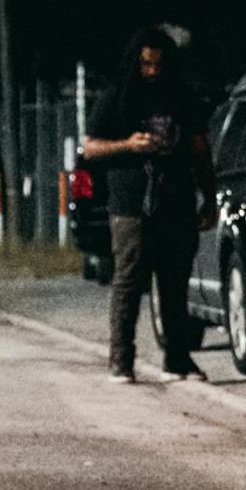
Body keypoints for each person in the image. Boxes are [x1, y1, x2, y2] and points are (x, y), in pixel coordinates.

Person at [80, 26, 215, 382]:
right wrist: (128, 145)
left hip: (176, 201)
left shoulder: (182, 98)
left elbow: (201, 151)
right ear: (134, 63)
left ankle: (178, 358)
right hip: (131, 205)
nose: (152, 72)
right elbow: (90, 147)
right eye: (145, 64)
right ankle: (121, 361)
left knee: (174, 282)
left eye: (159, 65)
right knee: (128, 281)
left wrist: (209, 199)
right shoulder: (117, 97)